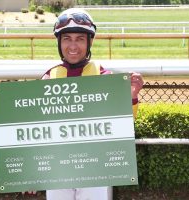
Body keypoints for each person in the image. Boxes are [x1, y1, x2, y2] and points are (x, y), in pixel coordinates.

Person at [41, 8, 144, 200]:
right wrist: (30, 176)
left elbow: (124, 124)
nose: (73, 45)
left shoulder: (103, 76)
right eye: (67, 38)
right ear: (59, 42)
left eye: (80, 38)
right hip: (57, 170)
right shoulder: (48, 77)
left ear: (90, 42)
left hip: (95, 168)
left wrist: (131, 96)